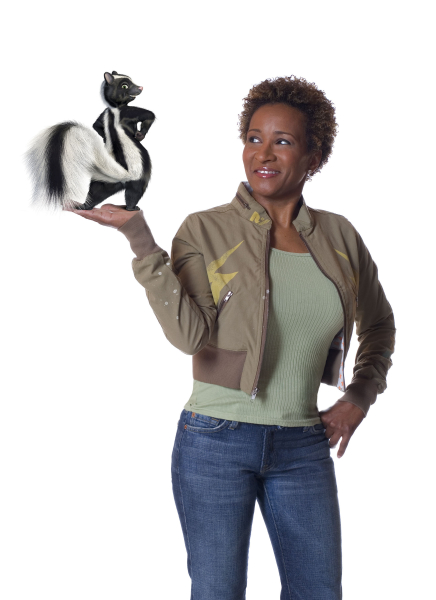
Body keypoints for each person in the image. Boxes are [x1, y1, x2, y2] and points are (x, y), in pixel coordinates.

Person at [66, 76, 396, 600]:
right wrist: (141, 241)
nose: (263, 153)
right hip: (215, 441)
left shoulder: (339, 237)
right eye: (253, 138)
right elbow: (188, 335)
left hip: (303, 444)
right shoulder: (205, 229)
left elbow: (378, 324)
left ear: (313, 156)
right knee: (218, 591)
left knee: (318, 591)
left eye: (283, 141)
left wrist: (360, 395)